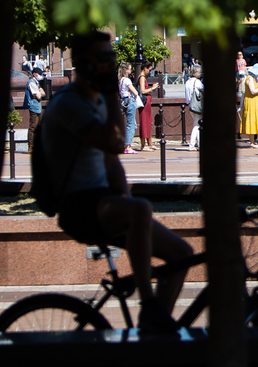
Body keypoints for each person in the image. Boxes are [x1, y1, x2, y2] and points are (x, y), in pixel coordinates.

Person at [41, 31, 192, 333]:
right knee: (140, 208)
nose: (111, 63)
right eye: (105, 58)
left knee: (182, 255)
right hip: (77, 206)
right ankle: (149, 307)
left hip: (103, 201)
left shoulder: (97, 100)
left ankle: (154, 335)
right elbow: (115, 142)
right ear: (84, 63)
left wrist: (130, 209)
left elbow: (112, 164)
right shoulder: (69, 104)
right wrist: (112, 97)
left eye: (112, 58)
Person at [239, 70, 258, 148]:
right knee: (251, 121)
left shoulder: (253, 78)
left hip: (256, 102)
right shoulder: (250, 78)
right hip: (251, 102)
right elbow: (253, 91)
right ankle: (252, 142)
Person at [136, 61, 159, 152]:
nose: (150, 72)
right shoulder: (142, 77)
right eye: (149, 70)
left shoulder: (142, 77)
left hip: (146, 103)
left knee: (148, 122)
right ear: (144, 68)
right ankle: (143, 145)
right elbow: (142, 91)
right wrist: (152, 88)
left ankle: (149, 143)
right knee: (144, 122)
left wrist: (151, 88)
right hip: (144, 104)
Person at [117, 63, 139, 155]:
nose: (131, 70)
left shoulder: (120, 80)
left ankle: (126, 144)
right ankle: (128, 146)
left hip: (123, 101)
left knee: (132, 124)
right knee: (131, 124)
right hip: (130, 102)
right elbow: (136, 92)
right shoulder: (127, 80)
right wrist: (133, 93)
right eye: (130, 69)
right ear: (126, 70)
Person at [24, 67, 46, 154]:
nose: (40, 76)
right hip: (33, 107)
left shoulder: (36, 83)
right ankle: (31, 146)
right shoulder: (31, 83)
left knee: (38, 127)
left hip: (38, 107)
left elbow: (43, 93)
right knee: (33, 127)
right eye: (39, 74)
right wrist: (40, 93)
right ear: (34, 74)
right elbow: (39, 96)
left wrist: (40, 93)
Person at [184, 65, 203, 151]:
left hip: (190, 105)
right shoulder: (197, 82)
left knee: (197, 124)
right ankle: (191, 145)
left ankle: (199, 143)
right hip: (197, 105)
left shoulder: (187, 82)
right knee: (197, 125)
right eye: (199, 72)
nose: (200, 73)